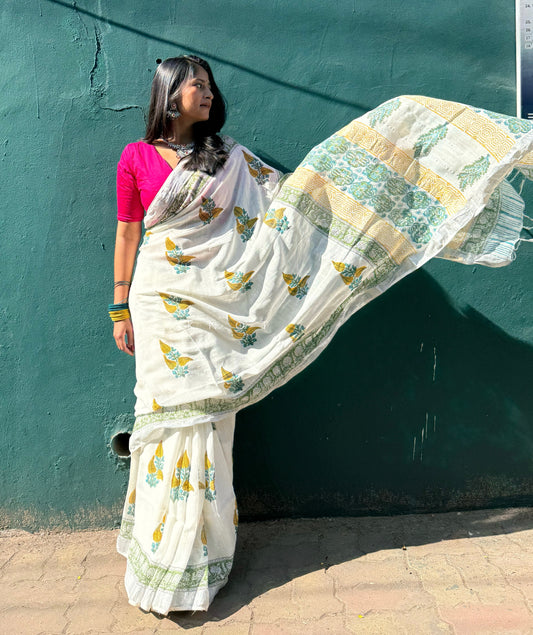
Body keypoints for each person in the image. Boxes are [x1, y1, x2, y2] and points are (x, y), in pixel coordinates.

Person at [112, 55, 533, 614]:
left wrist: (382, 181)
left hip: (214, 310)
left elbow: (293, 210)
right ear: (168, 93)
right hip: (159, 300)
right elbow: (127, 232)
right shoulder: (136, 157)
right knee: (164, 421)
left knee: (211, 420)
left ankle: (195, 563)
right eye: (196, 84)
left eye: (211, 85)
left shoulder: (230, 158)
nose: (207, 92)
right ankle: (157, 550)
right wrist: (120, 310)